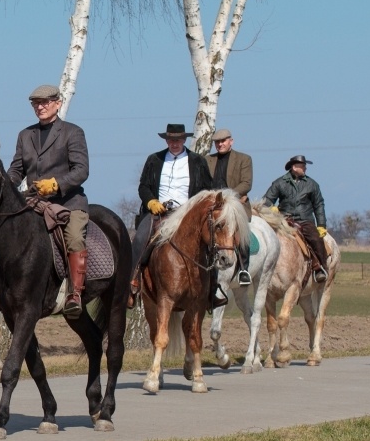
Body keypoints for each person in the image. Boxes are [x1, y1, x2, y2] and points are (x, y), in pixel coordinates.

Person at [7, 84, 90, 319]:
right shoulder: (25, 135)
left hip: (68, 202)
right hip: (34, 203)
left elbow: (81, 170)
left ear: (58, 104)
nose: (40, 107)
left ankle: (75, 294)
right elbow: (16, 169)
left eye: (44, 103)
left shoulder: (73, 132)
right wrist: (5, 185)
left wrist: (56, 184)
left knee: (74, 238)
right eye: (36, 104)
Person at [129, 123, 221, 307]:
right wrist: (151, 202)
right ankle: (133, 284)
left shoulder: (198, 161)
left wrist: (195, 208)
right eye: (171, 140)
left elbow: (207, 189)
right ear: (166, 140)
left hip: (188, 213)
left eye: (177, 139)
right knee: (140, 238)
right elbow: (143, 186)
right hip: (158, 212)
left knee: (211, 245)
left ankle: (212, 290)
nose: (174, 143)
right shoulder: (154, 159)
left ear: (184, 140)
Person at [262, 155, 329, 283]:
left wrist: (321, 225)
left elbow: (319, 205)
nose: (305, 168)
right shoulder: (279, 183)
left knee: (316, 239)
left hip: (305, 221)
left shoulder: (312, 184)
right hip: (284, 221)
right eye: (303, 165)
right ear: (294, 167)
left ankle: (321, 268)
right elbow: (266, 200)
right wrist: (271, 209)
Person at [204, 128, 253, 286]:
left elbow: (246, 183)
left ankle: (244, 269)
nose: (220, 144)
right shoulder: (207, 160)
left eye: (223, 141)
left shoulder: (244, 159)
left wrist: (228, 197)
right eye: (217, 142)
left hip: (234, 203)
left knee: (239, 231)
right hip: (212, 205)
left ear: (231, 141)